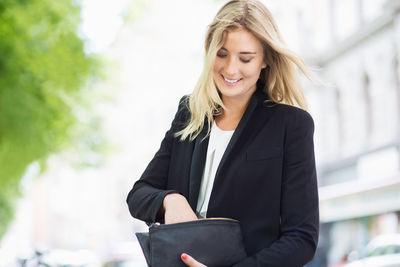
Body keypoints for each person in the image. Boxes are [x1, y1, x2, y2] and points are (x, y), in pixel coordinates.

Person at [126, 0, 319, 266]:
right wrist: (170, 200)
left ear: (265, 60)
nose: (230, 69)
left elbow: (301, 238)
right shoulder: (190, 113)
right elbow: (138, 195)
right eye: (222, 53)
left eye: (246, 58)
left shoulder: (291, 125)